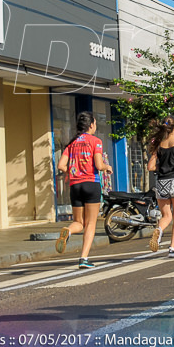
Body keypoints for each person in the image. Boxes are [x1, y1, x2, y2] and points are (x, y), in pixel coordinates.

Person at [56, 112, 114, 269]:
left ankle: (67, 231)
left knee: (78, 222)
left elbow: (61, 165)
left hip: (75, 185)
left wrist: (73, 172)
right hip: (91, 184)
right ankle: (83, 258)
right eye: (94, 123)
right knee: (91, 223)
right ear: (91, 125)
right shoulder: (96, 141)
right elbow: (99, 165)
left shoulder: (72, 143)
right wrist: (107, 167)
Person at [146, 115, 174, 257]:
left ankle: (159, 229)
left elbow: (150, 166)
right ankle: (172, 248)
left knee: (166, 215)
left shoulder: (158, 145)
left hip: (161, 183)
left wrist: (161, 167)